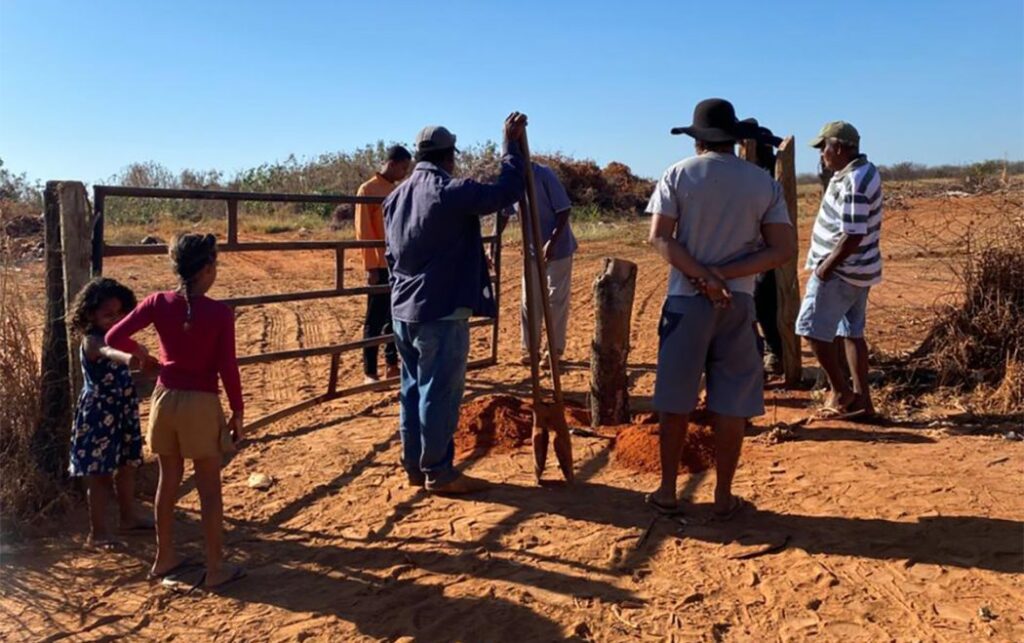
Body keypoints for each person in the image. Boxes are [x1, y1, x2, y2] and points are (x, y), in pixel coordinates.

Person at [644, 98, 796, 518]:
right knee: (731, 401)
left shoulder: (678, 174)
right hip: (738, 300)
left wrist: (703, 277)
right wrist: (724, 277)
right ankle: (723, 496)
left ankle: (668, 491)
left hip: (686, 301)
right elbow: (782, 249)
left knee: (676, 398)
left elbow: (660, 238)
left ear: (698, 139)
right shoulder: (762, 182)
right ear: (734, 139)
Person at [384, 113, 528, 494]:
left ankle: (415, 466)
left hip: (403, 310)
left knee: (411, 390)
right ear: (449, 157)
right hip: (440, 310)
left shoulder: (395, 198)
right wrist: (510, 148)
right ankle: (439, 472)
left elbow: (390, 256)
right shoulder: (449, 190)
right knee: (439, 392)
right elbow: (505, 192)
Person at [106, 233, 246, 589]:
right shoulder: (219, 313)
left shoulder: (157, 303)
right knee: (209, 489)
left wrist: (143, 356)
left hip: (165, 399)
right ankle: (215, 568)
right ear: (207, 269)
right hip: (201, 403)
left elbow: (112, 338)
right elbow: (227, 366)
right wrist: (237, 410)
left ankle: (163, 557)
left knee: (168, 481)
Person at [797, 121, 883, 419]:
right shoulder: (862, 172)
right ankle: (863, 402)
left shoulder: (854, 181)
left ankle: (842, 392)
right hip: (861, 269)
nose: (821, 153)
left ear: (839, 147)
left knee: (810, 330)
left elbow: (853, 234)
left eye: (824, 147)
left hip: (841, 271)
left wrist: (825, 269)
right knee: (851, 333)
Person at [68, 277, 157, 548]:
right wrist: (129, 357)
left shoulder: (121, 338)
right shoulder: (92, 341)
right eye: (108, 315)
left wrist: (144, 357)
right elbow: (109, 352)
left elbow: (138, 354)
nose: (116, 319)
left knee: (127, 466)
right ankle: (97, 533)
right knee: (100, 474)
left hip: (123, 409)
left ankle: (128, 518)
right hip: (99, 413)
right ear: (90, 314)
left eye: (120, 314)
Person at [509, 162, 576, 367]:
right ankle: (531, 349)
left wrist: (551, 242)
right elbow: (504, 213)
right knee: (529, 300)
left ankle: (553, 350)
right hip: (531, 251)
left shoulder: (544, 175)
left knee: (555, 299)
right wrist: (492, 244)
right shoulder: (510, 179)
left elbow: (564, 210)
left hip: (558, 249)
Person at [355, 145, 412, 383]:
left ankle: (392, 364)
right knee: (375, 318)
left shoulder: (397, 190)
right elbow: (364, 231)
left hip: (396, 263)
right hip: (379, 263)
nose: (405, 173)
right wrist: (371, 266)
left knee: (394, 315)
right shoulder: (367, 190)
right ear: (392, 164)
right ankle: (370, 371)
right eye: (403, 168)